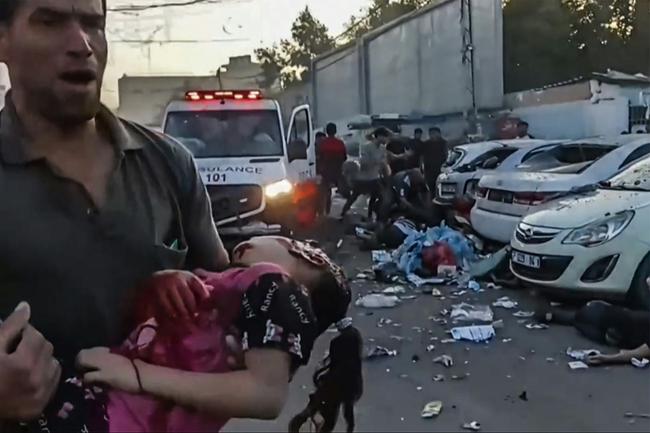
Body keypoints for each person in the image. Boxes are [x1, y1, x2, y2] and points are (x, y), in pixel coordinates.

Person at [0, 0, 229, 429]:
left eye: (93, 24)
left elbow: (229, 305)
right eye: (49, 22)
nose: (81, 44)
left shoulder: (167, 162)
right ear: (3, 39)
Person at [55, 237, 362, 433]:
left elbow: (266, 395)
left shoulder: (274, 283)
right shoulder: (237, 292)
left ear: (309, 255)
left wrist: (135, 373)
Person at [537, 297, 650, 366]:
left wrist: (606, 359)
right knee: (580, 318)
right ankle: (549, 315)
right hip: (611, 319)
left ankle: (550, 315)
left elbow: (636, 353)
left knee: (579, 322)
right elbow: (636, 353)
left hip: (616, 327)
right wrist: (607, 359)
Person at [340, 128, 390, 220]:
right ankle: (343, 212)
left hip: (375, 178)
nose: (386, 140)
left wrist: (386, 176)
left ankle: (371, 216)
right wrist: (377, 161)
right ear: (379, 136)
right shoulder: (366, 147)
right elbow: (363, 162)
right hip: (363, 178)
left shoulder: (383, 149)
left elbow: (383, 164)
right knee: (354, 196)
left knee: (379, 197)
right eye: (385, 137)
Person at [317, 124, 347, 215]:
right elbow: (344, 157)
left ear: (327, 131)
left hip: (325, 171)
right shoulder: (340, 143)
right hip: (337, 172)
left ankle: (323, 212)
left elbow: (319, 157)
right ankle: (331, 211)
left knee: (323, 192)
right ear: (335, 131)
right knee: (335, 191)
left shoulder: (322, 144)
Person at [418, 127, 448, 193]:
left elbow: (446, 154)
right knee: (430, 186)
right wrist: (421, 167)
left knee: (440, 185)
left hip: (440, 168)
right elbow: (421, 156)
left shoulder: (443, 143)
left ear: (439, 133)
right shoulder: (426, 144)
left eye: (434, 133)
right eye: (431, 133)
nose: (432, 135)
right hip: (429, 169)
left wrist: (446, 166)